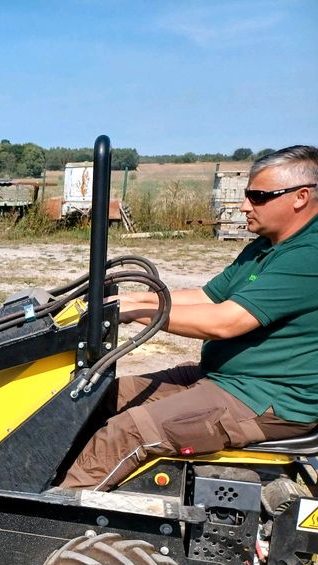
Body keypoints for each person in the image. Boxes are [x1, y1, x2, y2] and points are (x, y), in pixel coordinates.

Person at [63, 145, 318, 491]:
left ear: (300, 197)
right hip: (226, 379)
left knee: (128, 432)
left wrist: (139, 311)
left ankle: (48, 523)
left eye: (258, 196)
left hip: (265, 399)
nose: (245, 205)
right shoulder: (266, 246)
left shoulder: (307, 256)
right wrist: (125, 297)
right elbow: (206, 296)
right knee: (98, 396)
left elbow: (224, 322)